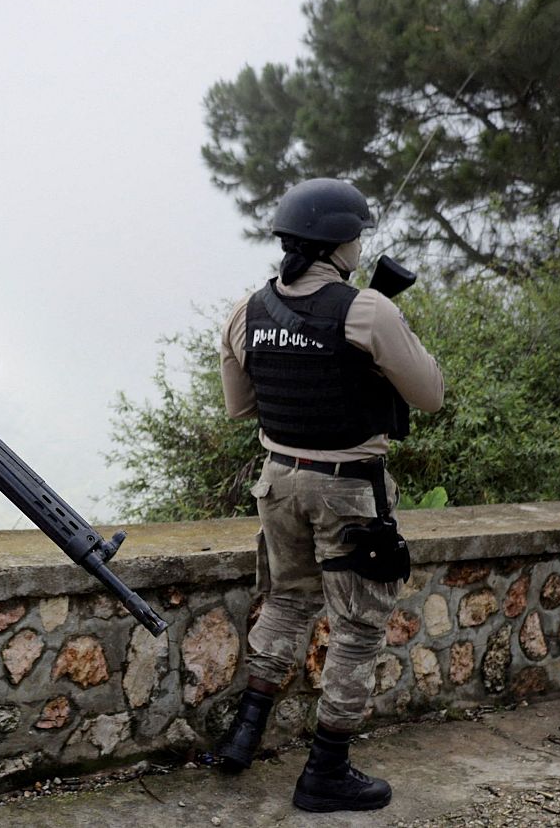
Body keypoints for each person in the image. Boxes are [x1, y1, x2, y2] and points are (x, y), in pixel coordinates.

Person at [214, 178, 443, 813]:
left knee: (286, 603)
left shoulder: (246, 309)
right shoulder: (368, 309)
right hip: (347, 489)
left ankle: (244, 736)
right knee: (358, 628)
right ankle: (326, 772)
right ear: (342, 243)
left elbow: (240, 406)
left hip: (278, 479)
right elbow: (430, 394)